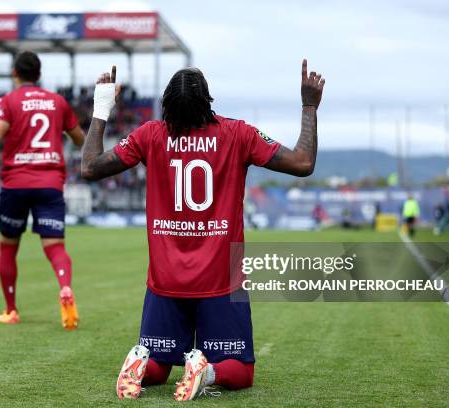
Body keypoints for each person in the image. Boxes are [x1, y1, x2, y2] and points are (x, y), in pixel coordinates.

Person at [81, 61, 324, 401]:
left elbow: (89, 166)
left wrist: (102, 106)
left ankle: (140, 362)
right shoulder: (238, 134)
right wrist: (309, 104)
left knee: (159, 366)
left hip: (166, 280)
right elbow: (302, 163)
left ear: (167, 104)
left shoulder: (150, 134)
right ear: (208, 101)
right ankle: (207, 371)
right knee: (240, 371)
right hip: (220, 279)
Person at [0, 51, 85, 330]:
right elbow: (79, 139)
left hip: (16, 184)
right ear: (39, 75)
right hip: (50, 183)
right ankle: (65, 287)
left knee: (8, 247)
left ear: (14, 73)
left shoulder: (8, 101)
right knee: (55, 247)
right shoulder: (58, 102)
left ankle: (11, 309)